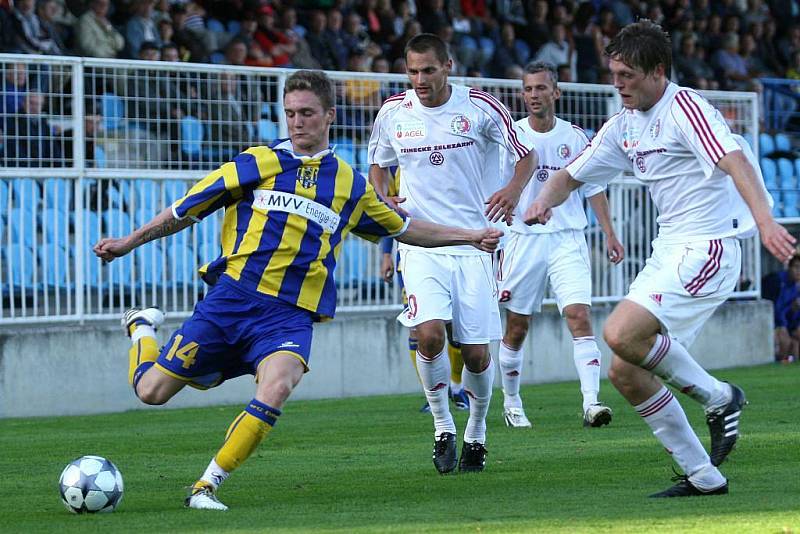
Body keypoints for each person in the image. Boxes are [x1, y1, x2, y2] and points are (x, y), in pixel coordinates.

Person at [93, 70, 502, 511]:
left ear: (329, 115)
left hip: (290, 316)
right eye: (289, 114)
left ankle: (206, 486)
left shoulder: (348, 184)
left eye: (306, 113)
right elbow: (184, 209)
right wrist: (127, 242)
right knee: (151, 391)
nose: (297, 122)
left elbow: (406, 229)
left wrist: (469, 235)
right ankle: (141, 328)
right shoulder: (255, 162)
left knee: (278, 385)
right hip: (232, 301)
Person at [524, 20, 796, 497]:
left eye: (627, 74)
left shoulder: (686, 109)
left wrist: (767, 223)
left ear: (658, 72)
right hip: (669, 249)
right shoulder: (622, 124)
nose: (617, 83)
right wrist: (542, 201)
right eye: (614, 73)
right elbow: (569, 175)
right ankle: (704, 476)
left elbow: (735, 161)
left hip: (709, 246)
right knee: (624, 370)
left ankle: (720, 397)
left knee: (618, 333)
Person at [368, 33, 537, 474]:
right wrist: (382, 197)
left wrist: (512, 189)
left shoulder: (479, 106)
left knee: (478, 355)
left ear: (448, 66)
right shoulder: (393, 113)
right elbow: (378, 167)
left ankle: (476, 431)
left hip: (475, 244)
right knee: (428, 335)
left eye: (428, 70)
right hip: (421, 244)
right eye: (413, 71)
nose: (420, 79)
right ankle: (443, 425)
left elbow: (527, 156)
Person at [496, 61, 624, 429]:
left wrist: (610, 234)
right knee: (517, 326)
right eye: (528, 89)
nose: (534, 95)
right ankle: (512, 401)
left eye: (540, 88)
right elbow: (502, 188)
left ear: (556, 92)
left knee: (579, 316)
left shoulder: (576, 137)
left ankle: (591, 403)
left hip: (569, 239)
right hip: (524, 240)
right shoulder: (513, 137)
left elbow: (594, 188)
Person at [378, 168, 470, 414]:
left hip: (454, 251)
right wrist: (387, 254)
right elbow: (390, 213)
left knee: (455, 328)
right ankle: (432, 395)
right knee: (419, 328)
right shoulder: (392, 167)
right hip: (411, 256)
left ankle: (457, 386)